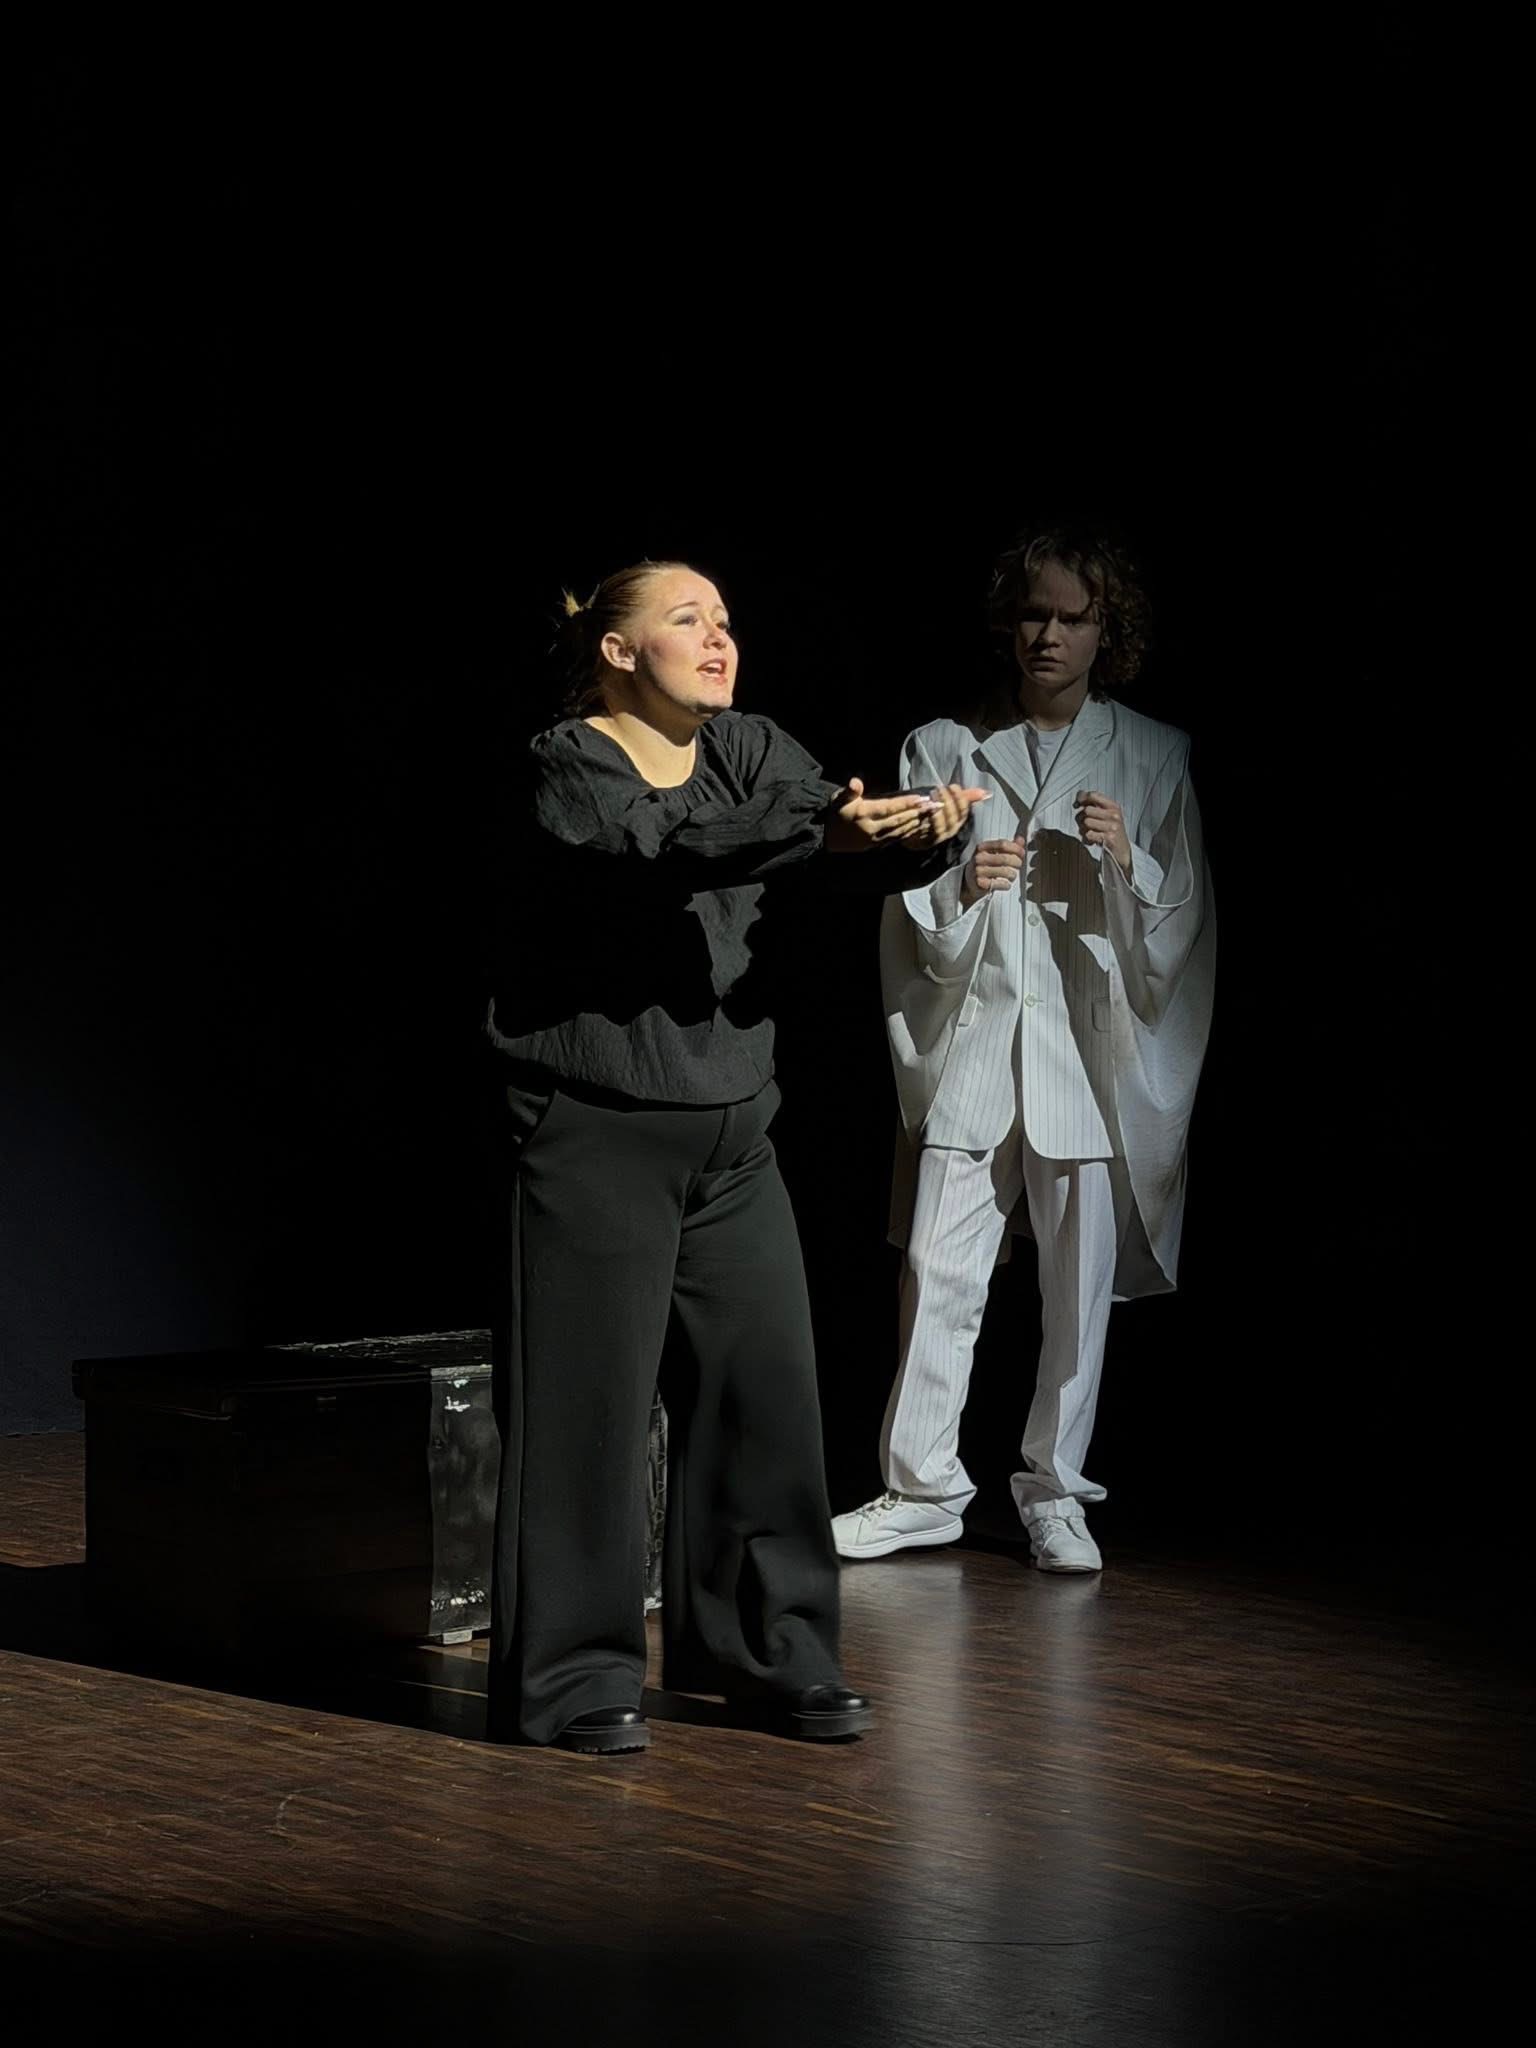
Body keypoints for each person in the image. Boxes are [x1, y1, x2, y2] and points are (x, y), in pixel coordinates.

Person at [483, 559, 986, 1751]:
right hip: (596, 1122)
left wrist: (916, 833)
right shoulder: (569, 762)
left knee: (766, 1401)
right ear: (617, 651)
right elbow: (664, 845)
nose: (719, 638)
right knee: (587, 1415)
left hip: (734, 1126)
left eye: (724, 621)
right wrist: (821, 827)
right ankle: (575, 1679)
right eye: (686, 620)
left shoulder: (749, 745)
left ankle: (773, 1655)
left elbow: (824, 827)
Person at [832, 526, 1215, 1574]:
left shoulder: (1153, 752)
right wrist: (961, 885)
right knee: (936, 1270)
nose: (1049, 634)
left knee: (1077, 1291)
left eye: (1072, 617)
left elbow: (1184, 929)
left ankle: (1055, 1491)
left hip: (1080, 1058)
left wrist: (1127, 864)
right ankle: (920, 1487)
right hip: (976, 1040)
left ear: (1105, 630)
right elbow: (905, 906)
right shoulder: (942, 745)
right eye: (1034, 613)